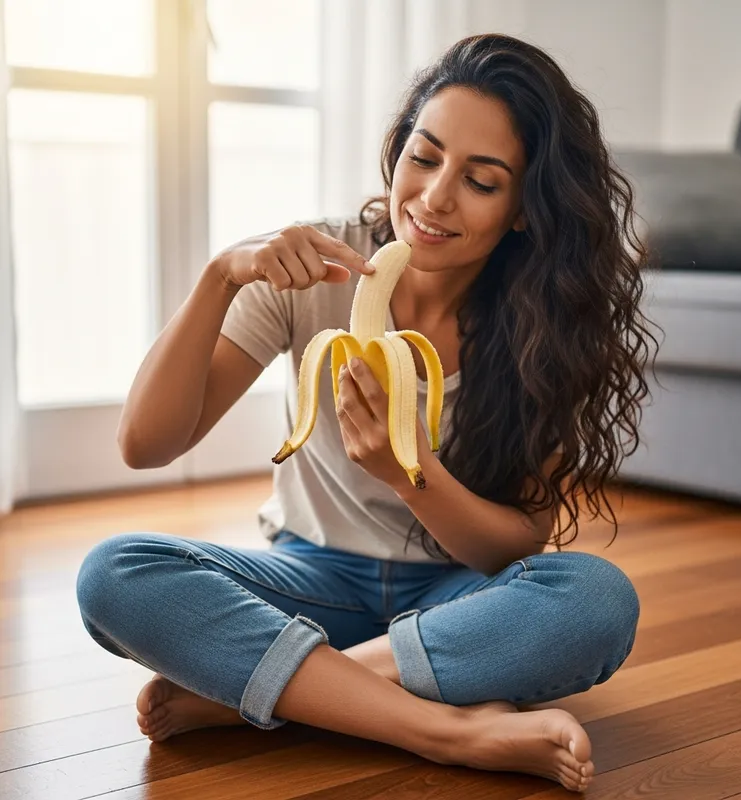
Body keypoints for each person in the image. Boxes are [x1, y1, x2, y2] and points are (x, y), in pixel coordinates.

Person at [76, 33, 659, 793]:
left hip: (454, 598)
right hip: (308, 578)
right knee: (114, 573)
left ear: (523, 209)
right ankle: (445, 728)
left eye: (480, 181)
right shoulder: (315, 270)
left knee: (598, 601)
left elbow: (511, 547)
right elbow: (147, 444)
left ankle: (273, 693)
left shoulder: (548, 323)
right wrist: (220, 277)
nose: (434, 198)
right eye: (424, 156)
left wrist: (406, 470)